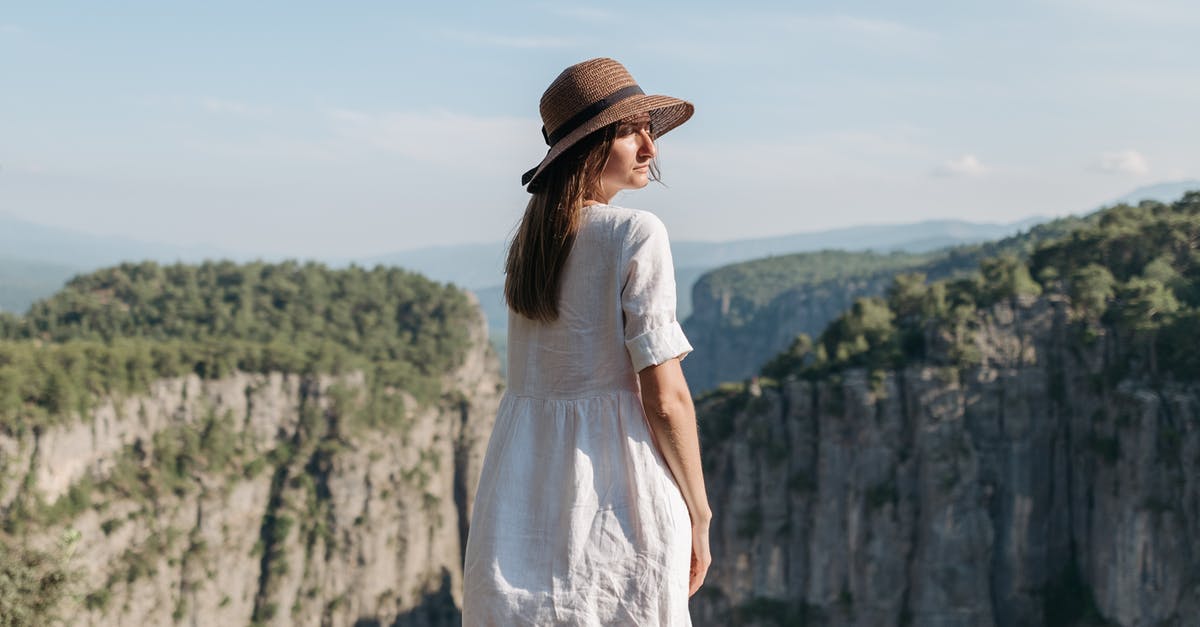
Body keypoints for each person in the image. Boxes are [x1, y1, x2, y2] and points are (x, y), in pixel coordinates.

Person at [462, 57, 712, 626]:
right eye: (630, 131)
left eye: (649, 128)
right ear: (588, 145)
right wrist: (699, 511)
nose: (650, 146)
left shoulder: (531, 246)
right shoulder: (635, 233)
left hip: (518, 494)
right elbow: (664, 395)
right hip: (617, 497)